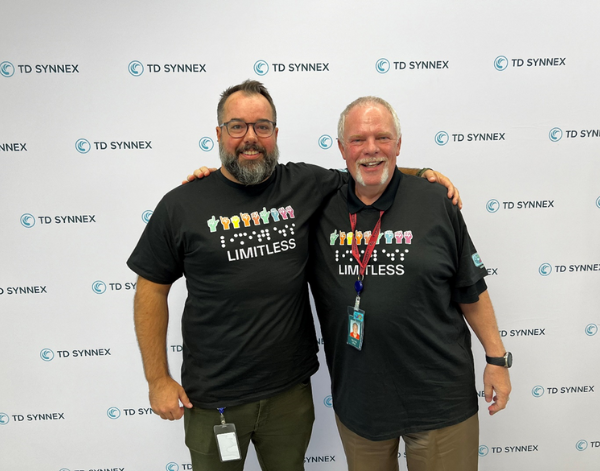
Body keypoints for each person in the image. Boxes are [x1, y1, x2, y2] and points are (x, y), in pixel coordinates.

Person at [128, 80, 460, 471]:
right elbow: (150, 289)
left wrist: (422, 172)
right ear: (219, 134)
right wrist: (157, 380)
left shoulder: (303, 183)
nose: (250, 138)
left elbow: (366, 169)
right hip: (214, 398)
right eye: (237, 126)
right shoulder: (181, 205)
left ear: (275, 133)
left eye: (262, 126)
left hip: (289, 394)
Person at [308, 96, 512, 471]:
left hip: (440, 398)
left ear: (399, 144)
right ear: (341, 148)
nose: (371, 149)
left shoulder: (435, 200)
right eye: (357, 140)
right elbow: (255, 190)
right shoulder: (317, 205)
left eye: (382, 137)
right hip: (361, 402)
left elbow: (471, 288)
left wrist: (497, 358)